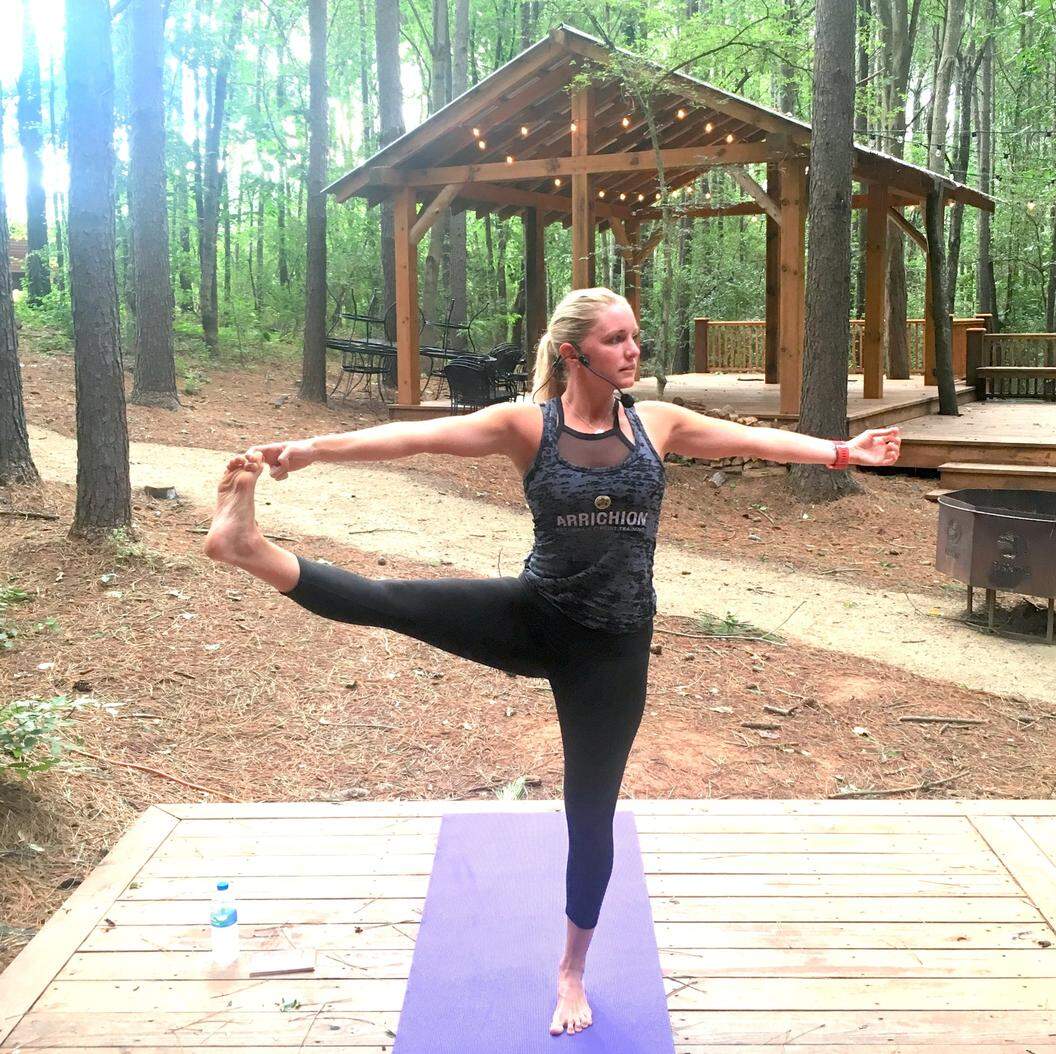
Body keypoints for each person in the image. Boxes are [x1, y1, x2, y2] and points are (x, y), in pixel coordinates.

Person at [203, 286, 902, 1038]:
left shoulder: (655, 423)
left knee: (590, 813)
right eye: (617, 339)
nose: (634, 350)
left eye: (635, 337)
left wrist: (842, 450)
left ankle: (571, 968)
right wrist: (311, 450)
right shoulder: (524, 425)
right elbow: (414, 440)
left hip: (614, 649)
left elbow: (751, 439)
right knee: (391, 600)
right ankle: (246, 547)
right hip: (534, 617)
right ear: (573, 353)